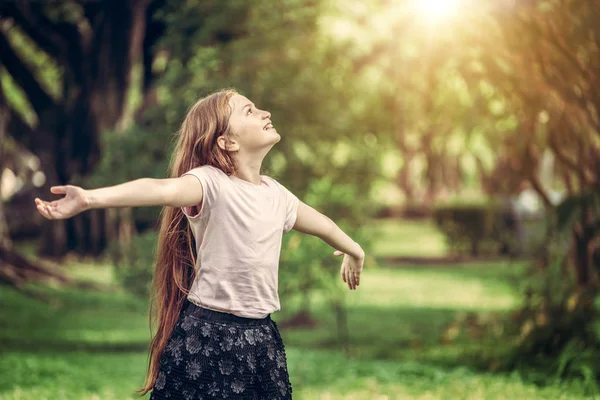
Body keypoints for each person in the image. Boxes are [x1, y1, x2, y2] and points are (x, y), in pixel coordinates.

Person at [34, 88, 365, 399]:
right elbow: (158, 189)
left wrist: (354, 249)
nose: (264, 112)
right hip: (207, 338)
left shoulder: (277, 195)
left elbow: (323, 224)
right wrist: (89, 198)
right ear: (227, 142)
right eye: (250, 110)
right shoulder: (211, 183)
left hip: (262, 340)